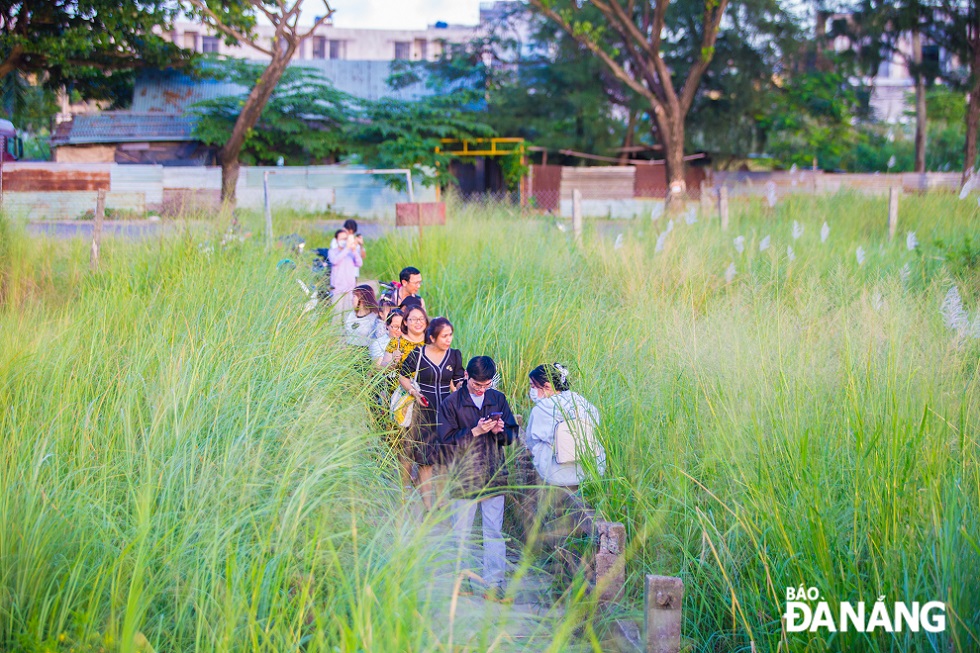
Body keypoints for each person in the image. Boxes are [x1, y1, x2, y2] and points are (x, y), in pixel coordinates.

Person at [438, 356, 518, 601]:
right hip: (464, 475)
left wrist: (500, 431)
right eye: (477, 385)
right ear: (466, 378)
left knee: (493, 531)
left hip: (494, 473)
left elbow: (512, 436)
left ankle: (494, 584)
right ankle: (461, 580)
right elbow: (445, 443)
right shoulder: (451, 403)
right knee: (461, 531)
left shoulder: (498, 399)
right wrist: (474, 431)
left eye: (486, 385)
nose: (482, 390)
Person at [399, 317, 464, 510]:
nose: (448, 339)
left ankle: (442, 501)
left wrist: (462, 388)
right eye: (444, 336)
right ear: (433, 337)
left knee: (444, 460)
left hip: (446, 413)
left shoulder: (454, 356)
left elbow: (458, 380)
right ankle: (428, 504)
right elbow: (403, 375)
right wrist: (413, 392)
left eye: (450, 335)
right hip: (423, 411)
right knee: (425, 460)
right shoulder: (418, 353)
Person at [524, 363, 605, 487]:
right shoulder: (579, 401)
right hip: (589, 469)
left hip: (554, 473)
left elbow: (531, 440)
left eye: (533, 386)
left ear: (546, 386)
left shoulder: (541, 409)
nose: (532, 391)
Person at [327, 229, 362, 310]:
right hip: (337, 288)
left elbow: (359, 263)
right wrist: (347, 248)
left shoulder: (351, 252)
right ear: (336, 240)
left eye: (345, 239)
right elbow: (335, 260)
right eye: (342, 239)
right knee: (336, 315)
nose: (344, 241)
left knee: (348, 314)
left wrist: (354, 250)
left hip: (349, 288)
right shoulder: (332, 252)